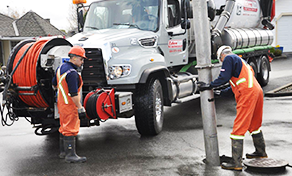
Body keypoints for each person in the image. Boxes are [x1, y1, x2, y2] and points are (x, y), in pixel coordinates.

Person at [198, 46, 268, 171]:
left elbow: (223, 77)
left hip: (248, 93)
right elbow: (236, 84)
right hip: (257, 91)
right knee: (254, 125)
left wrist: (209, 85)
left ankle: (236, 163)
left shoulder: (228, 58)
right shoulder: (242, 62)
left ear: (221, 56)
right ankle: (260, 152)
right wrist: (221, 92)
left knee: (239, 128)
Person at [52, 45, 87, 163]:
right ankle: (70, 155)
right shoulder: (72, 73)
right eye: (81, 59)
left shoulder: (61, 68)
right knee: (70, 128)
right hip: (70, 105)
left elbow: (54, 84)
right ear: (74, 58)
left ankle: (63, 152)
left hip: (61, 104)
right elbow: (73, 94)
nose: (82, 62)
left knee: (63, 127)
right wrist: (80, 108)